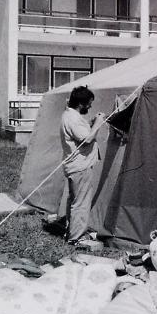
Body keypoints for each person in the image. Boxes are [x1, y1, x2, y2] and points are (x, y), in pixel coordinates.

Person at [60, 86, 107, 245]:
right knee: (81, 203)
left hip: (75, 166)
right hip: (80, 166)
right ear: (81, 104)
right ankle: (77, 238)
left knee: (75, 201)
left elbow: (82, 133)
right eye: (89, 103)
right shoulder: (73, 118)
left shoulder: (70, 115)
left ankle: (71, 231)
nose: (90, 106)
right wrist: (98, 123)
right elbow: (86, 139)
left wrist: (92, 123)